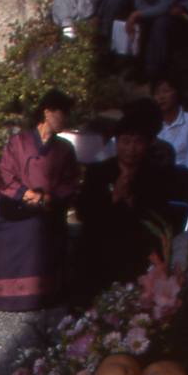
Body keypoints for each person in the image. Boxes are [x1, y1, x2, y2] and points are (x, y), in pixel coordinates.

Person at [0, 88, 81, 311]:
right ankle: (4, 295)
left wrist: (48, 198)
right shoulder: (18, 142)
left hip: (48, 208)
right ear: (47, 112)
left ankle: (41, 295)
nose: (65, 119)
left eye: (67, 114)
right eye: (62, 113)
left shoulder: (65, 149)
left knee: (37, 227)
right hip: (14, 206)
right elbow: (6, 174)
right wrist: (28, 195)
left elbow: (71, 180)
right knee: (19, 230)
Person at [72, 102, 176, 306]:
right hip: (100, 241)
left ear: (147, 144)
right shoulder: (98, 171)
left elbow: (160, 218)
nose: (131, 149)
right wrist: (114, 197)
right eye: (125, 141)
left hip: (137, 243)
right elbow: (83, 212)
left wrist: (130, 200)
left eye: (138, 142)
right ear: (117, 142)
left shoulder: (156, 175)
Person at [153, 72, 188, 175]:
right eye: (157, 93)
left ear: (177, 93)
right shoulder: (150, 123)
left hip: (182, 179)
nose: (161, 97)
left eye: (166, 91)